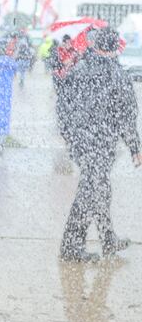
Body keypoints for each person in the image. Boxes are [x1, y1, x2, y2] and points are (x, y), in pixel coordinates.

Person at [58, 28, 141, 261]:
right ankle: (71, 248)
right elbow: (127, 116)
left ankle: (108, 239)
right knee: (91, 193)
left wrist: (71, 137)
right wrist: (135, 148)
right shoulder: (117, 76)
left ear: (95, 45)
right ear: (115, 48)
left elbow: (62, 107)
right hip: (101, 145)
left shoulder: (78, 70)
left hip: (82, 146)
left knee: (99, 189)